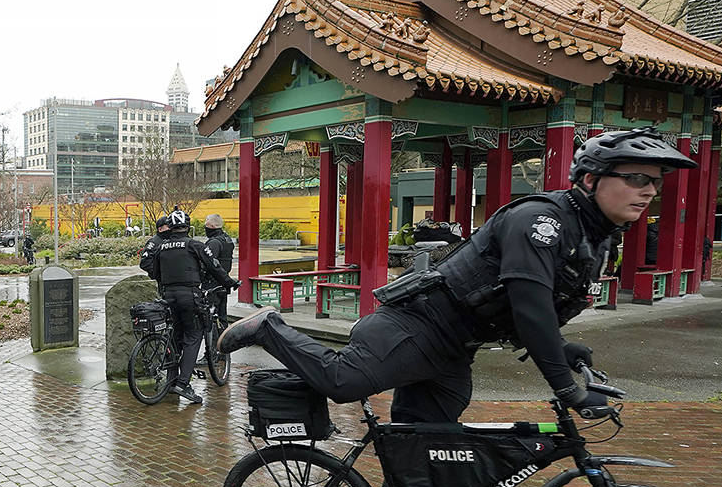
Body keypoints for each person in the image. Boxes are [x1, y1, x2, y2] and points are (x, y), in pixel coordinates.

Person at [218, 127, 697, 433]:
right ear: (591, 179)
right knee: (345, 383)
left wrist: (562, 348)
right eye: (636, 178)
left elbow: (536, 313)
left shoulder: (594, 236)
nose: (650, 191)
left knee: (427, 444)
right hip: (414, 327)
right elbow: (528, 307)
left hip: (455, 347)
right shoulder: (540, 221)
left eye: (655, 182)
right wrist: (565, 388)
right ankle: (268, 328)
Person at [139, 209, 239, 405]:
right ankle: (183, 384)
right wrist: (229, 282)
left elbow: (154, 272)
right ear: (187, 226)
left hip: (168, 296)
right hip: (189, 295)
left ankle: (171, 379)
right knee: (193, 336)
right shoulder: (194, 245)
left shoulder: (162, 247)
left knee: (175, 336)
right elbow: (214, 266)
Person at [202, 213, 236, 324]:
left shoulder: (214, 243)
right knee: (222, 315)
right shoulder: (227, 239)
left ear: (212, 226)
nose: (205, 228)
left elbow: (209, 263)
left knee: (210, 316)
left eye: (206, 225)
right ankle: (223, 338)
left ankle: (213, 340)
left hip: (212, 284)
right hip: (224, 282)